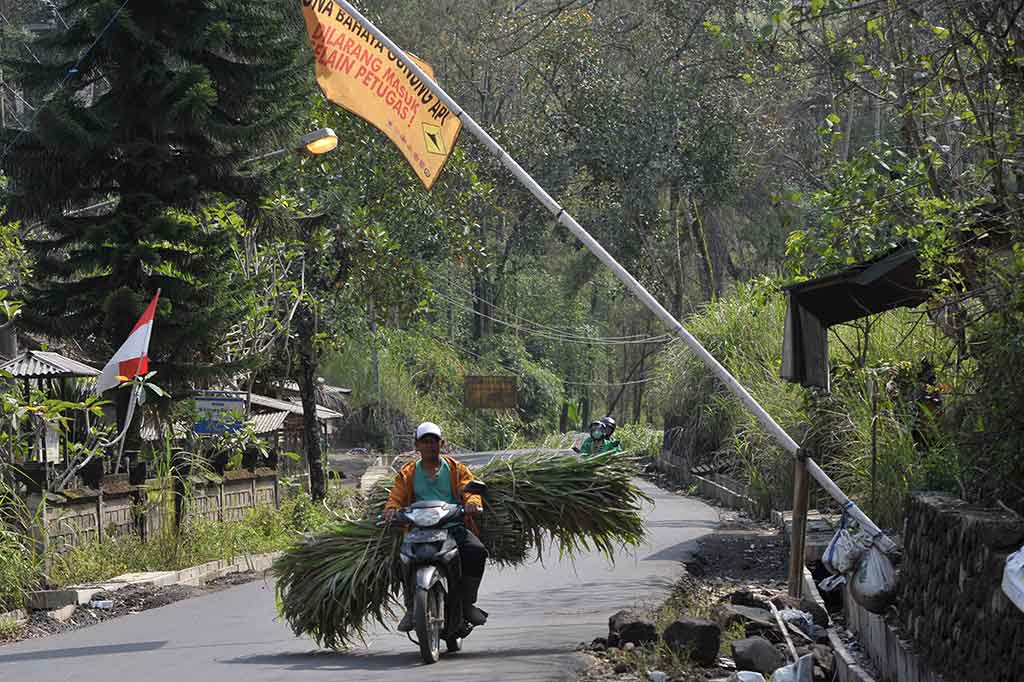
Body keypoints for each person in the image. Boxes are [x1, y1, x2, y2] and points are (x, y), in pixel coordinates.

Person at [384, 421, 488, 632]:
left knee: (476, 552)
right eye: (426, 442)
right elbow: (396, 496)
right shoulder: (408, 473)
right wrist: (391, 509)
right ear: (417, 446)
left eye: (434, 442)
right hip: (418, 530)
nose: (430, 446)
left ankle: (467, 603)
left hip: (451, 526)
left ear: (442, 444)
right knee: (400, 559)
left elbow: (469, 489)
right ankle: (412, 607)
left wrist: (472, 504)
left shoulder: (455, 469)